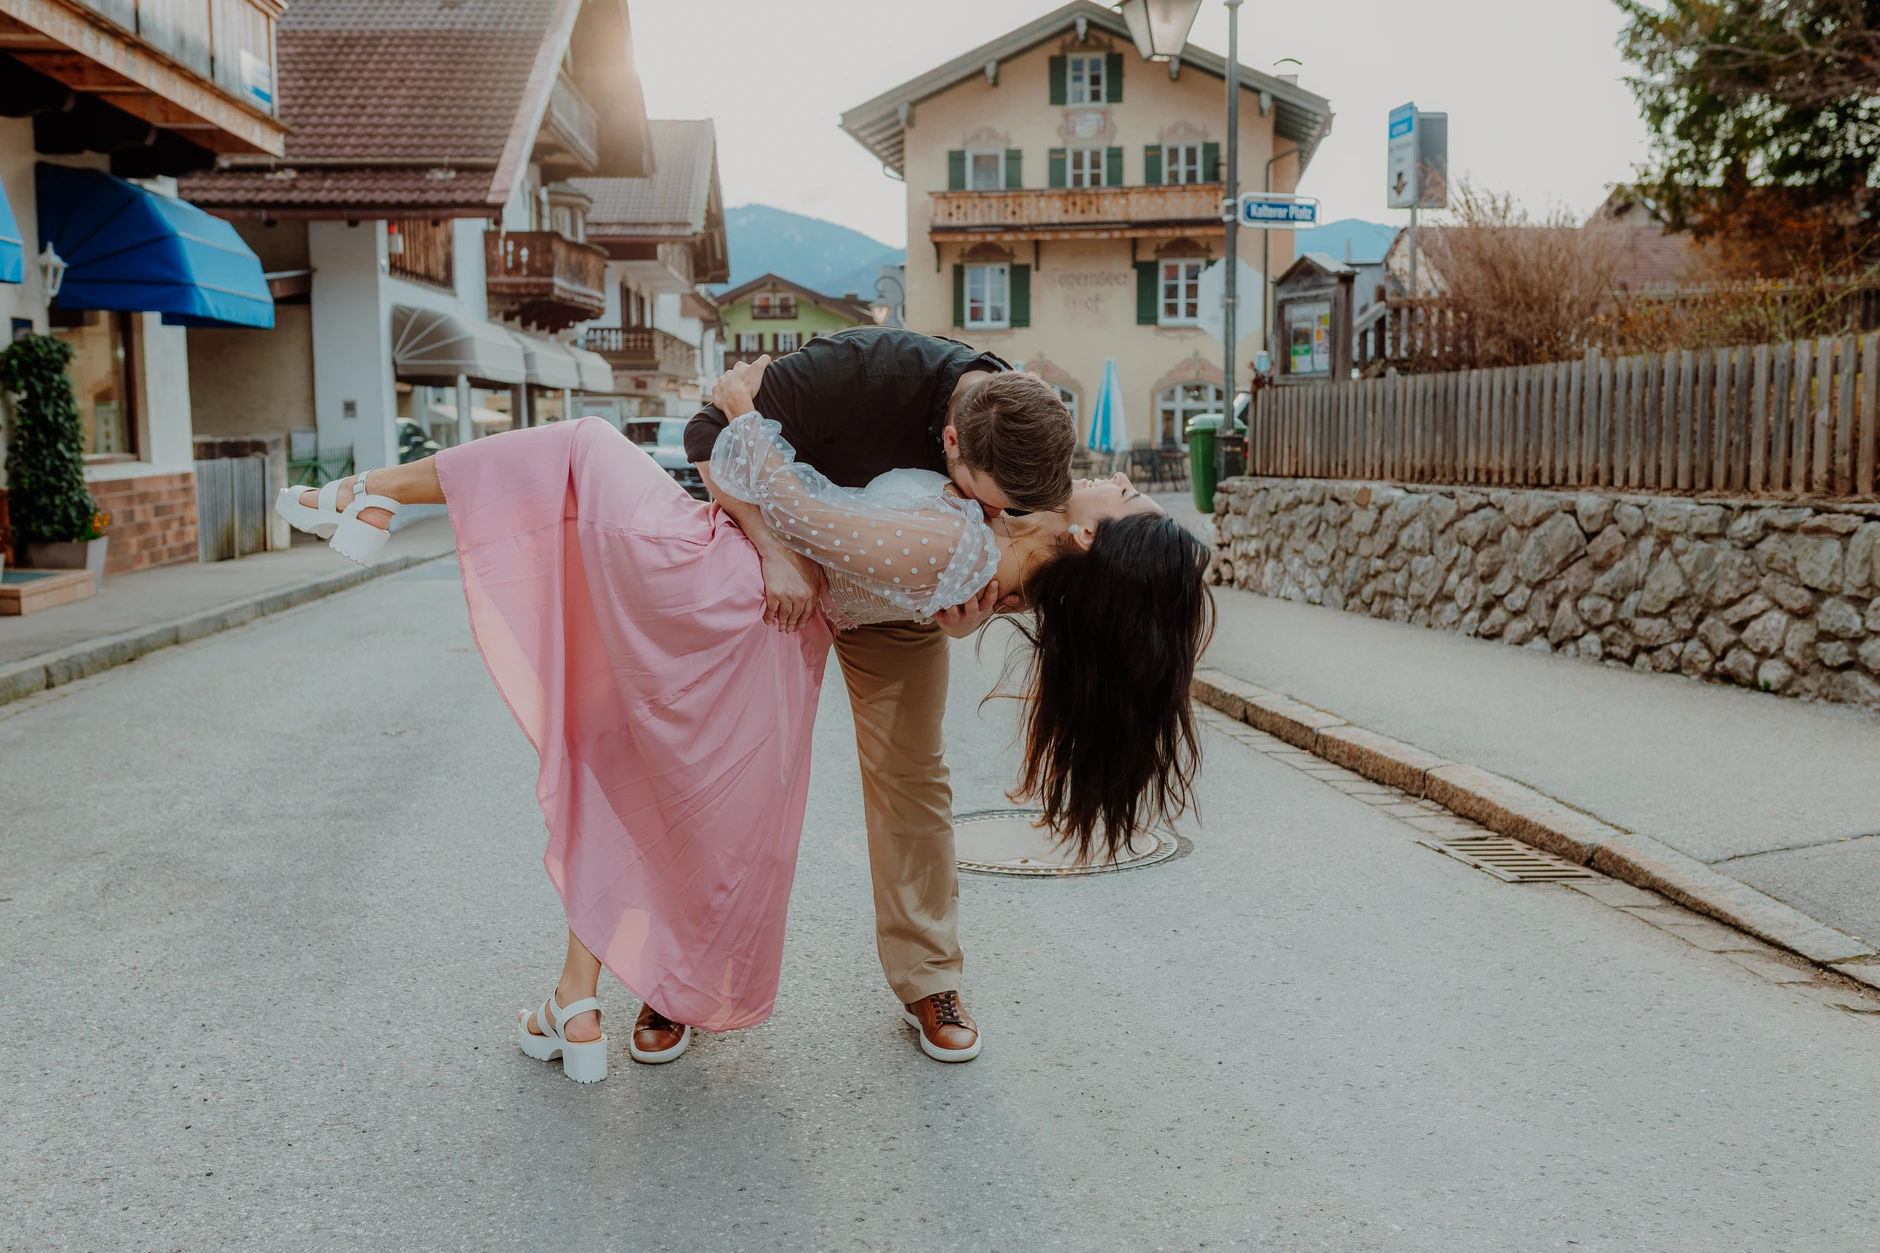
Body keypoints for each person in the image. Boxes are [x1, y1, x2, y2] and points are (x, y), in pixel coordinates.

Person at [275, 369, 1212, 1084]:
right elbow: (739, 424)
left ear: (1093, 535)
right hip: (780, 598)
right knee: (658, 776)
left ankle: (369, 493)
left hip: (760, 597)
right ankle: (603, 998)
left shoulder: (1003, 504)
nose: (1126, 479)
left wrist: (890, 572)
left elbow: (789, 492)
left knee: (579, 455)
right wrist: (826, 549)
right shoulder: (954, 430)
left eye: (1132, 499)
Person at [685, 327, 1079, 1063]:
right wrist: (775, 551)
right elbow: (707, 431)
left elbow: (993, 543)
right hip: (782, 586)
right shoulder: (859, 375)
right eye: (985, 501)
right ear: (951, 441)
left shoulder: (1018, 421)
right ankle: (675, 982)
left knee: (913, 783)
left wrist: (971, 612)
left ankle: (929, 976)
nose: (991, 517)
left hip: (893, 614)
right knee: (734, 779)